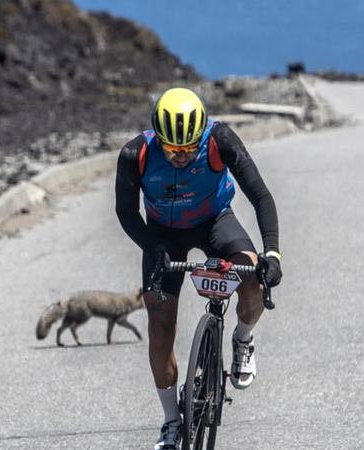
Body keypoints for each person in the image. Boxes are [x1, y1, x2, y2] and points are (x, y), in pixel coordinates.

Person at [114, 87, 282, 449]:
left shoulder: (220, 140)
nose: (180, 156)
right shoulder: (135, 154)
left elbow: (261, 196)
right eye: (172, 149)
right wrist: (150, 246)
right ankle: (172, 422)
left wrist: (273, 255)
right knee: (160, 326)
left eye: (189, 148)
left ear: (200, 137)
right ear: (158, 139)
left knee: (252, 277)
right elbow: (126, 212)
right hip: (161, 235)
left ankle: (243, 339)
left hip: (215, 221)